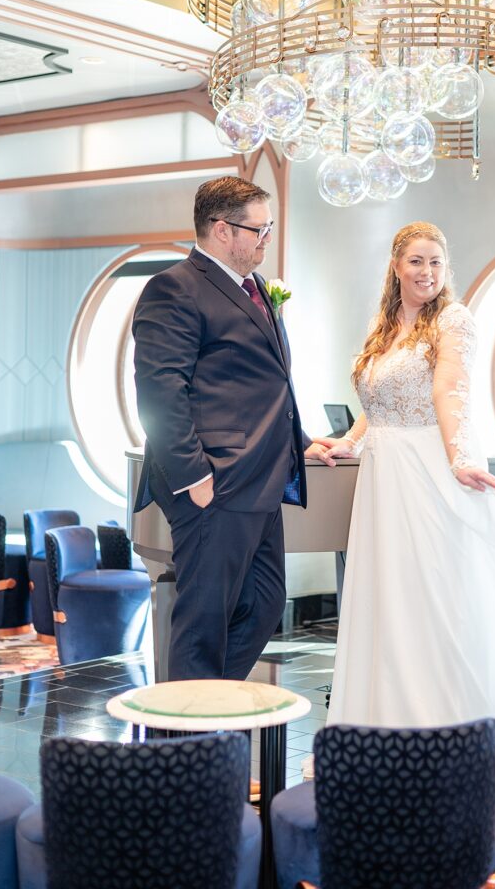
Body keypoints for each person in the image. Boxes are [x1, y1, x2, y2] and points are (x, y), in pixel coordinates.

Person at [325, 221, 495, 752]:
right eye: (417, 261)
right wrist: (347, 443)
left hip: (427, 465)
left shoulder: (453, 319)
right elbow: (375, 407)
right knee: (388, 593)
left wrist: (460, 457)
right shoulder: (385, 325)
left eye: (436, 263)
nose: (427, 272)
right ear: (396, 266)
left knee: (433, 591)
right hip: (384, 473)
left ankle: (446, 730)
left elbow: (451, 389)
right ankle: (383, 728)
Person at [132, 176, 334, 682]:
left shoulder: (259, 289)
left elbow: (264, 384)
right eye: (259, 230)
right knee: (203, 623)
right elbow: (159, 390)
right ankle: (182, 750)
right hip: (214, 483)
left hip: (262, 482)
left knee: (266, 605)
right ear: (222, 230)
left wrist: (300, 442)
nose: (267, 239)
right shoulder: (174, 287)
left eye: (269, 228)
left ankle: (206, 710)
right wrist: (193, 476)